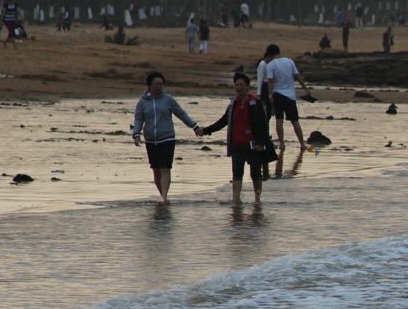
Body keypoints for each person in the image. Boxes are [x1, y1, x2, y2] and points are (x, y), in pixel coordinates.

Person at [199, 70, 277, 204]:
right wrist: (205, 131)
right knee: (237, 173)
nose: (239, 87)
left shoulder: (255, 103)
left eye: (242, 85)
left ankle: (257, 199)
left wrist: (262, 143)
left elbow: (264, 124)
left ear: (247, 86)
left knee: (256, 174)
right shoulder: (233, 104)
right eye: (237, 85)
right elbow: (223, 121)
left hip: (253, 145)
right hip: (237, 145)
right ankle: (236, 200)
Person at [130, 71, 201, 205]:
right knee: (156, 169)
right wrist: (136, 134)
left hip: (167, 138)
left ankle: (164, 197)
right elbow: (138, 119)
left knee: (165, 168)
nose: (159, 87)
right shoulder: (142, 102)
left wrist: (194, 126)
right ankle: (162, 195)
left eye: (161, 84)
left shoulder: (168, 99)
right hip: (151, 139)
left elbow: (181, 113)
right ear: (149, 86)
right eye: (156, 84)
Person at [261, 43, 310, 151]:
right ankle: (302, 144)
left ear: (269, 54)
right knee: (295, 121)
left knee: (279, 120)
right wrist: (305, 89)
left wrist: (270, 95)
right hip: (290, 96)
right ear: (279, 52)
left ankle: (282, 144)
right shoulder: (289, 61)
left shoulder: (270, 65)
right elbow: (297, 77)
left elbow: (270, 82)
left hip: (277, 94)